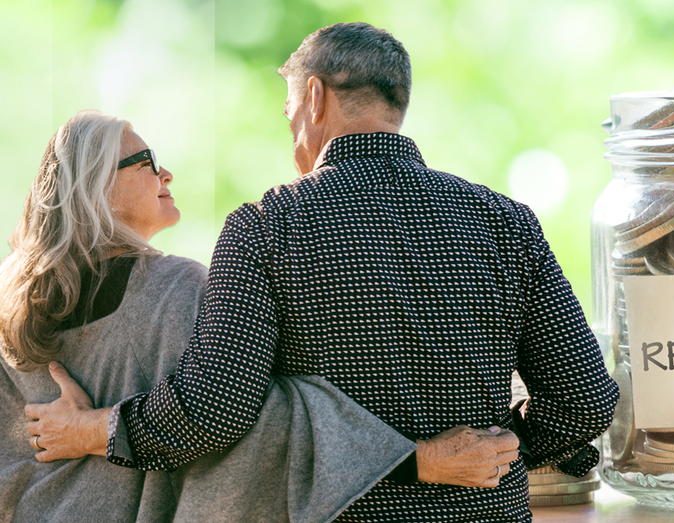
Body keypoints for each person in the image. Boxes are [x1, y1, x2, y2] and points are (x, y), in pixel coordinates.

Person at [28, 22, 619, 522]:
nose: (291, 134)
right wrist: (504, 449)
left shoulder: (266, 226)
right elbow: (588, 400)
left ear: (314, 98)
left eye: (288, 112)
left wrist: (92, 429)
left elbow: (214, 410)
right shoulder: (505, 221)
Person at [1, 110, 518, 522]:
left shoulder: (12, 304)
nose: (166, 171)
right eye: (144, 160)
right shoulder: (172, 289)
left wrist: (85, 430)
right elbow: (243, 417)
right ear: (96, 188)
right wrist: (420, 461)